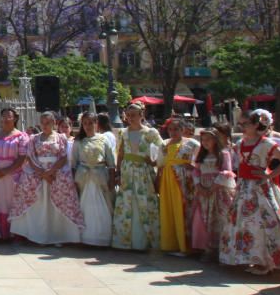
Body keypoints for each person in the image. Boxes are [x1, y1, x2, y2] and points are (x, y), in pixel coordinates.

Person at [219, 110, 280, 275]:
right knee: (242, 222)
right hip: (243, 188)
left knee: (263, 222)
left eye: (246, 124)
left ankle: (265, 260)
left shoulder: (266, 143)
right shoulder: (240, 143)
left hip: (260, 188)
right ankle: (247, 257)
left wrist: (269, 174)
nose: (243, 127)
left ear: (256, 124)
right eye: (241, 124)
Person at [11, 112, 85, 246]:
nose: (45, 125)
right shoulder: (34, 139)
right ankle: (38, 235)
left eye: (48, 123)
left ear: (54, 123)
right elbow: (30, 157)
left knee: (56, 205)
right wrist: (41, 173)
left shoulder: (60, 138)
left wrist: (51, 171)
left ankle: (57, 235)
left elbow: (63, 157)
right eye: (42, 123)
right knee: (38, 204)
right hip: (38, 173)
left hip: (56, 173)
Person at [111, 103, 162, 251]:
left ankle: (147, 239)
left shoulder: (150, 132)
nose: (131, 118)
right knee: (127, 202)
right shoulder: (123, 133)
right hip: (127, 171)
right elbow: (120, 153)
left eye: (134, 115)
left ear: (141, 115)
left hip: (143, 171)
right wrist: (118, 171)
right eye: (129, 115)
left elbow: (161, 149)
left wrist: (154, 162)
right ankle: (125, 239)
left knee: (145, 202)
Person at [191, 128, 235, 261]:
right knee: (202, 219)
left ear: (216, 140)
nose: (205, 143)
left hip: (219, 191)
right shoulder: (201, 155)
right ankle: (205, 248)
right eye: (203, 140)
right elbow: (196, 171)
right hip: (203, 191)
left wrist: (213, 187)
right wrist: (199, 186)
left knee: (219, 218)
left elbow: (226, 172)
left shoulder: (223, 154)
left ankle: (221, 250)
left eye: (208, 140)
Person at [73, 113, 117, 247]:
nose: (88, 126)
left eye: (90, 123)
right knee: (85, 206)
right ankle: (86, 237)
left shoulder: (104, 139)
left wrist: (112, 179)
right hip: (84, 177)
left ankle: (103, 236)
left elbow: (111, 162)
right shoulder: (79, 141)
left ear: (96, 123)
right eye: (85, 123)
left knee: (103, 206)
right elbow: (74, 163)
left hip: (100, 176)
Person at [158, 118, 200, 255]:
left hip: (184, 180)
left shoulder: (192, 144)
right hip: (167, 179)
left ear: (183, 130)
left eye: (176, 129)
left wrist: (192, 166)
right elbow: (160, 163)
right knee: (169, 209)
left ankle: (186, 245)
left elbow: (201, 161)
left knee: (183, 209)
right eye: (170, 129)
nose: (173, 132)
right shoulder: (164, 144)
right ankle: (171, 243)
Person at [0, 108, 30, 239]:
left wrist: (7, 171)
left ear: (15, 118)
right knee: (0, 203)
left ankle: (16, 233)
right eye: (3, 116)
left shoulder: (21, 137)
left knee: (14, 202)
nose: (5, 119)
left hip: (15, 175)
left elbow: (22, 157)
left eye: (8, 116)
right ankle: (2, 232)